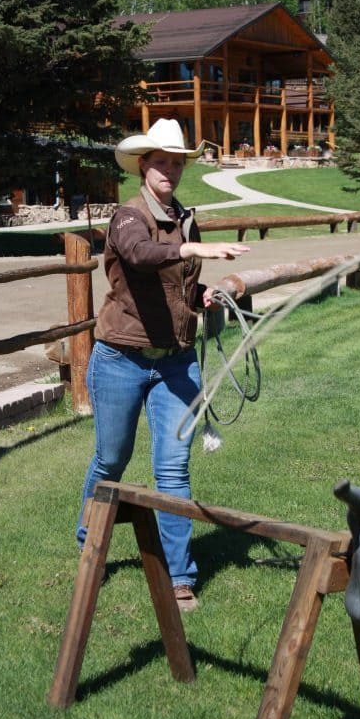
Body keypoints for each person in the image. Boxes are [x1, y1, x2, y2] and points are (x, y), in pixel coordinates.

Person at [76, 118, 249, 611]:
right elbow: (139, 255)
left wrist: (202, 295)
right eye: (161, 162)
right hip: (120, 359)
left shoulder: (184, 216)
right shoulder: (127, 217)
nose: (169, 170)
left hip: (175, 362)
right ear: (142, 166)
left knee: (172, 470)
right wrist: (191, 247)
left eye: (176, 162)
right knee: (111, 460)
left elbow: (174, 285)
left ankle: (179, 576)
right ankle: (91, 541)